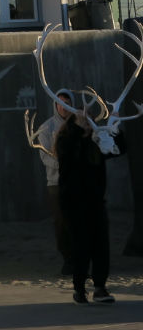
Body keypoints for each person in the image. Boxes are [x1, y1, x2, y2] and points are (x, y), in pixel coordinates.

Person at [54, 111, 125, 304]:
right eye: (83, 122)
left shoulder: (97, 143)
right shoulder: (66, 142)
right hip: (73, 204)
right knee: (80, 246)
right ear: (73, 125)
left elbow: (119, 148)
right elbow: (67, 153)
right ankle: (79, 288)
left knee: (101, 245)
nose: (87, 125)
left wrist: (114, 127)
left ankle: (100, 288)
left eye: (89, 122)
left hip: (95, 202)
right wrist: (78, 127)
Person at [34, 91, 75, 274]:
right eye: (60, 103)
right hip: (56, 184)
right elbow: (45, 158)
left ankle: (79, 259)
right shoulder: (46, 128)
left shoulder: (80, 124)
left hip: (78, 183)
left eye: (67, 102)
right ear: (55, 105)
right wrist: (67, 165)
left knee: (78, 222)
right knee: (61, 222)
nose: (63, 106)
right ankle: (68, 259)